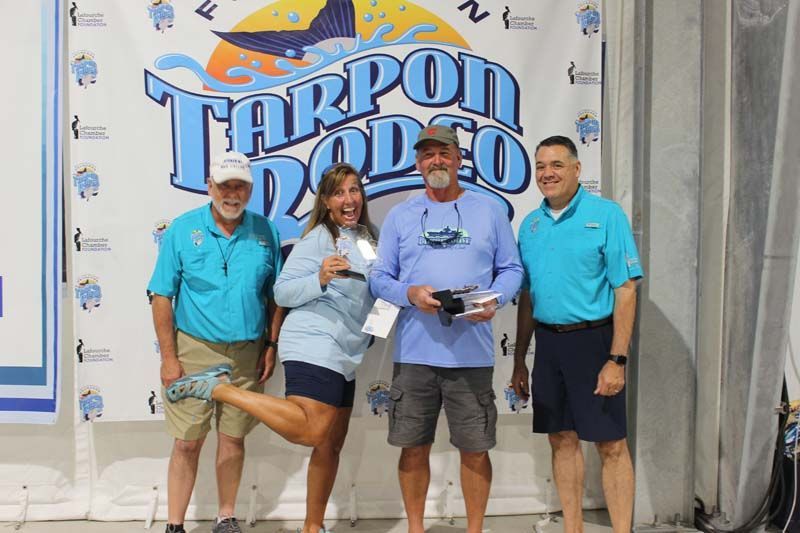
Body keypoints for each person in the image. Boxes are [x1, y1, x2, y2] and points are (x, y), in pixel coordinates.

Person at [166, 163, 377, 533]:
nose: (349, 199)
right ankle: (219, 389)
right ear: (326, 202)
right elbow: (282, 292)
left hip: (347, 350)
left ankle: (313, 526)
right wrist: (320, 277)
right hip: (315, 340)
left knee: (330, 442)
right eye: (339, 192)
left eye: (354, 190)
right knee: (313, 431)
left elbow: (379, 290)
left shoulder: (368, 239)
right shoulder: (316, 239)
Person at [369, 125, 523, 533]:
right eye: (428, 154)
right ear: (418, 164)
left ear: (458, 159)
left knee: (475, 450)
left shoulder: (489, 210)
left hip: (472, 355)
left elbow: (512, 269)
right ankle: (416, 528)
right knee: (412, 448)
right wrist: (409, 293)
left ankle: (475, 530)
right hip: (414, 356)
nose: (436, 160)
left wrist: (496, 299)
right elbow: (379, 278)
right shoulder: (401, 215)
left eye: (444, 152)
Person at [511, 136, 643, 533]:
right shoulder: (530, 226)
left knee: (611, 444)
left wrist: (616, 359)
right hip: (549, 346)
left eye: (556, 165)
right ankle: (573, 529)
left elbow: (626, 289)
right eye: (540, 166)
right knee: (561, 439)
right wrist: (519, 358)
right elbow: (528, 297)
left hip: (595, 343)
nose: (547, 173)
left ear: (577, 170)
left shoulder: (606, 215)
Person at [148, 151, 284, 533]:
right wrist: (169, 359)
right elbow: (162, 296)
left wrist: (271, 346)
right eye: (224, 185)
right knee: (188, 442)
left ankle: (226, 517)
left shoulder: (265, 231)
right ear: (210, 186)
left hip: (247, 354)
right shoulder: (181, 230)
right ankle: (174, 524)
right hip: (194, 351)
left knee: (233, 438)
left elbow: (276, 295)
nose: (232, 193)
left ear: (251, 189)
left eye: (240, 185)